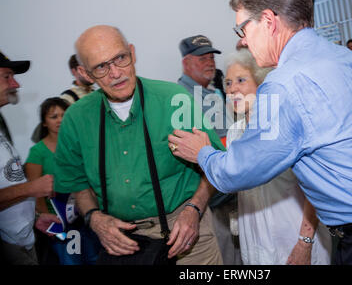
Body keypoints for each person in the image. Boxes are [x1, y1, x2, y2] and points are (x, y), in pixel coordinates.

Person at [168, 0, 352, 265]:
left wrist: (202, 152)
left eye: (243, 29)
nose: (242, 40)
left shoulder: (283, 86)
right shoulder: (348, 58)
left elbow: (238, 172)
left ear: (268, 21)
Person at [53, 25, 224, 265]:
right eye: (101, 67)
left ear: (132, 53)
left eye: (120, 58)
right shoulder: (76, 118)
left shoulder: (174, 100)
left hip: (187, 234)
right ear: (85, 73)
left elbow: (215, 164)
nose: (115, 73)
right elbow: (76, 182)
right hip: (120, 241)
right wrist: (94, 219)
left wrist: (194, 210)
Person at [224, 48, 331, 265]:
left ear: (261, 84)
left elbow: (316, 188)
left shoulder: (284, 126)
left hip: (295, 239)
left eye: (241, 80)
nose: (232, 89)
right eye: (227, 83)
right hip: (256, 242)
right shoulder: (234, 133)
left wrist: (304, 242)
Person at [178, 35, 240, 264]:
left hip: (228, 191)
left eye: (211, 57)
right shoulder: (183, 97)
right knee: (224, 257)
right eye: (202, 58)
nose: (210, 62)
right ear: (186, 63)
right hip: (210, 198)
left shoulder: (213, 92)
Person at [25, 97, 101, 265]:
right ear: (44, 123)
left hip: (87, 217)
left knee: (95, 258)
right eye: (53, 117)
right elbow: (35, 194)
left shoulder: (80, 144)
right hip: (59, 222)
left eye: (64, 115)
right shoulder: (37, 152)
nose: (60, 120)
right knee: (70, 261)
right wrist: (51, 223)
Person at [0, 51, 54, 265]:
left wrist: (35, 219)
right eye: (7, 76)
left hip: (23, 241)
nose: (16, 84)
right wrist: (32, 189)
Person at [31, 54, 95, 143]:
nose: (89, 72)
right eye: (84, 69)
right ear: (74, 71)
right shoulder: (68, 98)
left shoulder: (97, 93)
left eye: (91, 67)